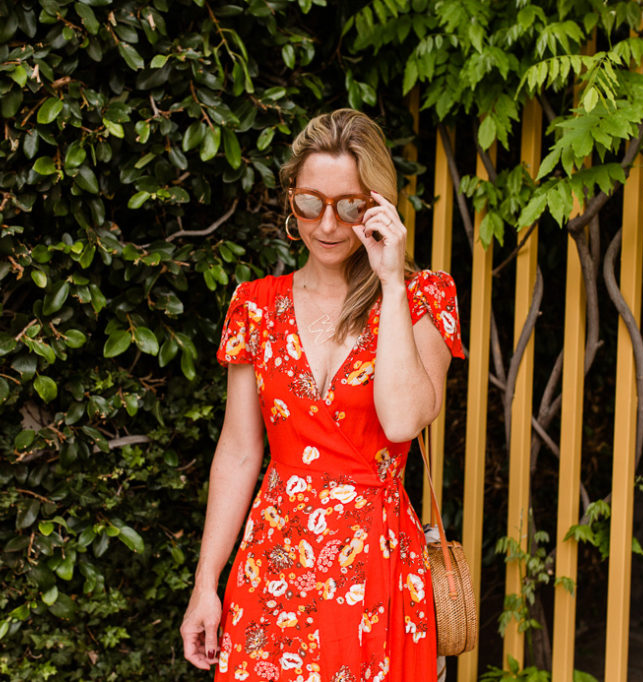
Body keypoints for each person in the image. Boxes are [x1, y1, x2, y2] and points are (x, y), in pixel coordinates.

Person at [180, 108, 464, 682]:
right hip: (275, 564)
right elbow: (238, 450)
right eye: (311, 203)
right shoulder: (255, 306)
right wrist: (205, 583)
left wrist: (390, 281)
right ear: (291, 200)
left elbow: (404, 420)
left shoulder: (423, 298)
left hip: (377, 567)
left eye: (351, 206)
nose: (329, 225)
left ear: (378, 205)